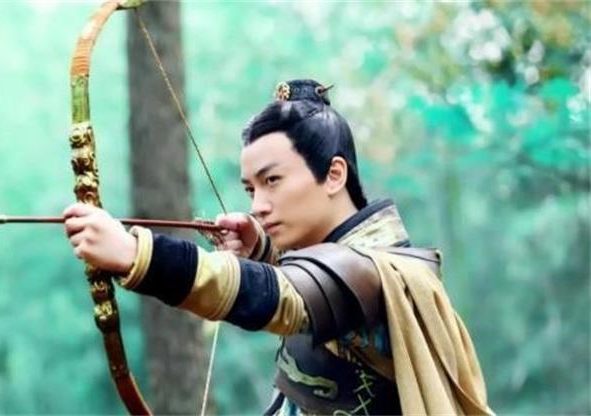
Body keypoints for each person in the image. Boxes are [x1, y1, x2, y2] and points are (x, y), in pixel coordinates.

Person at [63, 79, 493, 415]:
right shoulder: (346, 268)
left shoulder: (377, 274)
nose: (258, 206)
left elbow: (278, 297)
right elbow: (313, 277)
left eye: (273, 181)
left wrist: (137, 254)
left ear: (334, 175)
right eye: (251, 189)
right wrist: (264, 251)